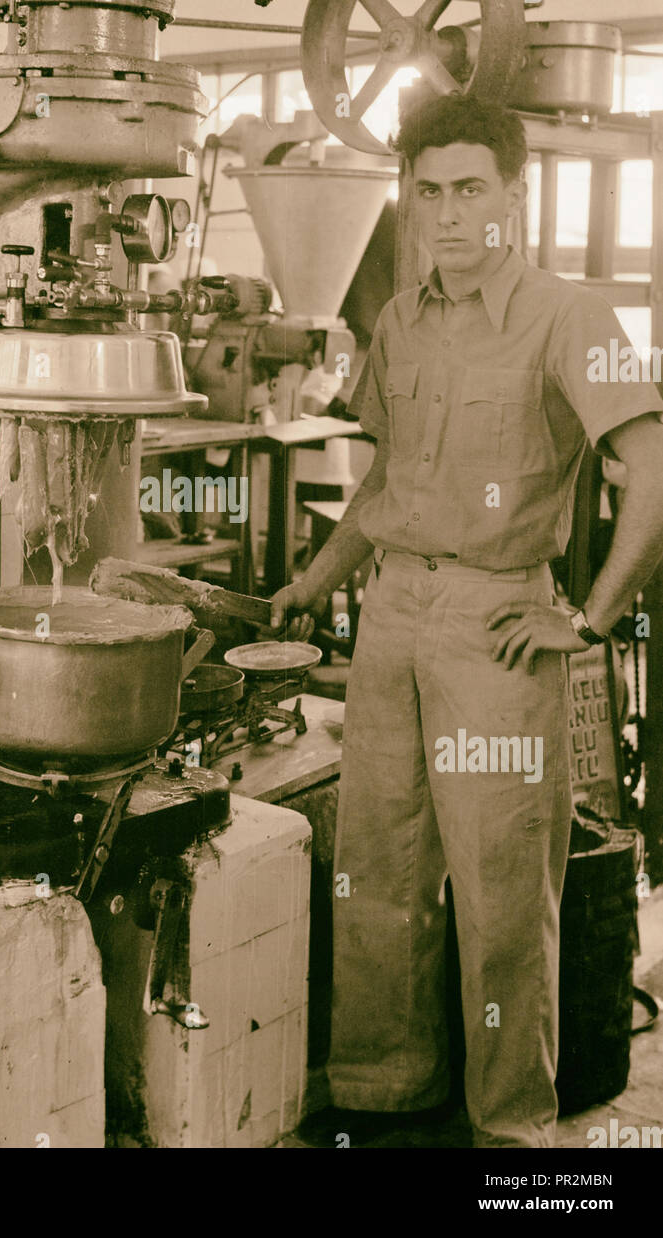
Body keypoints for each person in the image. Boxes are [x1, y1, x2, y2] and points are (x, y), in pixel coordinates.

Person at [270, 93, 663, 1148]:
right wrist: (312, 581)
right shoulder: (398, 318)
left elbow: (656, 471)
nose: (446, 214)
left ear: (512, 198)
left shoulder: (573, 317)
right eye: (428, 190)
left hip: (497, 622)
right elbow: (384, 481)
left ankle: (510, 1132)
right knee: (379, 872)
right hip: (391, 611)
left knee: (498, 897)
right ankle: (385, 1095)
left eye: (469, 190)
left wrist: (585, 618)